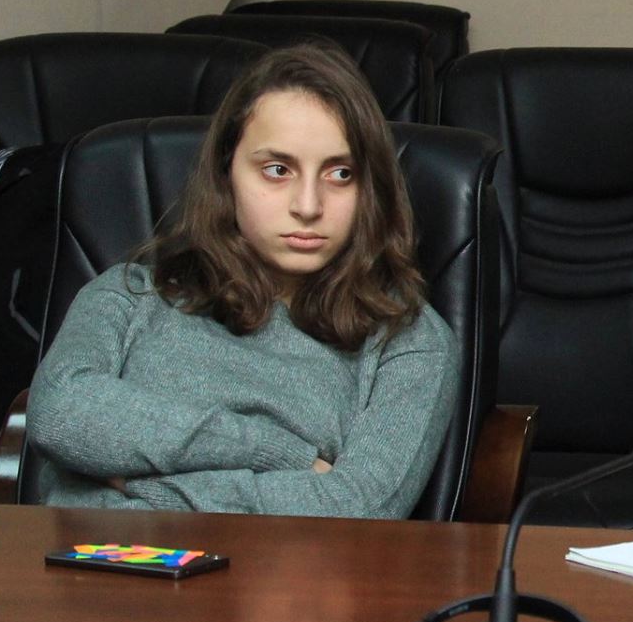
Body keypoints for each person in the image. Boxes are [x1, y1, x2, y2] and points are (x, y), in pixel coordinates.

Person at [26, 44, 459, 519]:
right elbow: (58, 413)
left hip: (275, 567)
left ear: (369, 187)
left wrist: (128, 482)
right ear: (226, 171)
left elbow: (358, 509)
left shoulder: (408, 337)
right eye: (277, 170)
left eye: (340, 173)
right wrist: (278, 454)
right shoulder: (129, 294)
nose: (308, 206)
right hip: (90, 559)